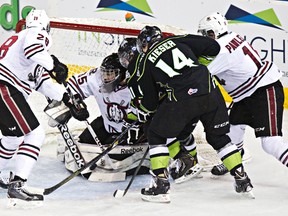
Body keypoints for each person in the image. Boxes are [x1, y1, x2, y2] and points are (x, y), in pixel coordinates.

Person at [122, 27, 254, 203]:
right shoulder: (177, 40)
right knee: (218, 137)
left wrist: (142, 113)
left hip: (183, 98)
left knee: (156, 133)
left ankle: (160, 185)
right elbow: (212, 46)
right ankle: (242, 179)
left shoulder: (146, 62)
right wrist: (198, 65)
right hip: (210, 90)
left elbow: (150, 104)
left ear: (144, 44)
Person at [0, 9, 88, 206]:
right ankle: (17, 185)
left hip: (4, 88)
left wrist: (68, 99)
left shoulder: (21, 44)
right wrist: (54, 64)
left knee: (12, 139)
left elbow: (42, 83)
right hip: (4, 87)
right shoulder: (35, 33)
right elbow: (34, 49)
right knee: (35, 134)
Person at [197, 12, 288, 176]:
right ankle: (236, 158)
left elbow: (200, 74)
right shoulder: (230, 36)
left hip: (264, 91)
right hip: (247, 94)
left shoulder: (221, 51)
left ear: (214, 32)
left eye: (206, 34)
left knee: (270, 142)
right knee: (233, 130)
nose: (204, 37)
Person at [118, 37, 203, 184]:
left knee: (155, 130)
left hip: (173, 105)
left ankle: (185, 160)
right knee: (182, 133)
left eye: (126, 57)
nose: (125, 61)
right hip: (192, 98)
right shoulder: (149, 62)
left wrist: (140, 113)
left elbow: (147, 100)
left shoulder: (138, 69)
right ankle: (193, 158)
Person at [54, 52, 151, 179]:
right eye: (104, 73)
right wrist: (76, 104)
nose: (105, 77)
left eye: (110, 74)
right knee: (85, 141)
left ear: (123, 73)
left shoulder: (137, 86)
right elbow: (72, 87)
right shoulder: (96, 77)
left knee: (113, 154)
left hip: (132, 131)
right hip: (107, 125)